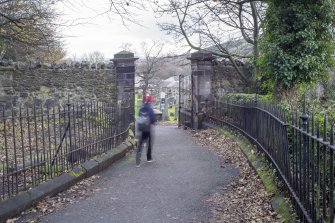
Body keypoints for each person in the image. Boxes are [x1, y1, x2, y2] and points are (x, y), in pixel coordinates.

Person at [136, 95, 156, 167]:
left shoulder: (141, 108)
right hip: (148, 129)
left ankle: (138, 161)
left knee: (140, 144)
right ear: (150, 101)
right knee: (149, 143)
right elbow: (153, 119)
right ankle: (149, 158)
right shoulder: (150, 109)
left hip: (141, 129)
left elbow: (138, 118)